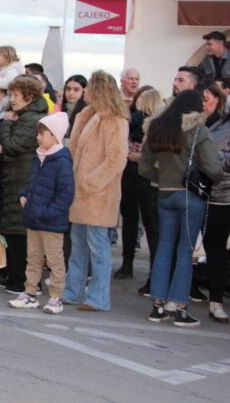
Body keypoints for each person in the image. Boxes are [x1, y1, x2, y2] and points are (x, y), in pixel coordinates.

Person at [140, 90, 223, 327]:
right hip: (190, 196)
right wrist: (211, 179)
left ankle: (157, 306)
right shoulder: (198, 130)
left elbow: (144, 167)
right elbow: (213, 167)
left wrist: (162, 178)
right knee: (185, 252)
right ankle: (180, 308)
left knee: (164, 248)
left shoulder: (158, 127)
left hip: (164, 194)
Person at [62, 71, 129, 312]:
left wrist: (91, 181)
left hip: (99, 194)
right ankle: (73, 291)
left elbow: (116, 158)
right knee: (78, 246)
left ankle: (98, 297)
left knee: (98, 248)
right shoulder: (88, 115)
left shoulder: (115, 120)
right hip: (81, 193)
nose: (85, 91)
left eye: (89, 87)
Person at [9, 112, 74, 314]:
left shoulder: (61, 161)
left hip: (51, 221)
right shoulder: (40, 157)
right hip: (34, 219)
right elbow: (35, 183)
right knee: (33, 258)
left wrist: (46, 212)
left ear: (54, 136)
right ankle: (30, 292)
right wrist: (24, 194)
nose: (38, 137)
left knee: (55, 260)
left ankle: (56, 296)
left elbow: (66, 194)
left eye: (42, 134)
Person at [0, 75, 49, 294]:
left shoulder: (29, 120)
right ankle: (17, 277)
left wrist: (6, 125)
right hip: (18, 177)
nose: (12, 99)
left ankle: (21, 281)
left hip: (21, 179)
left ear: (28, 96)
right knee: (16, 232)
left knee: (19, 234)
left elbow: (12, 146)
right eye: (11, 94)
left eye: (16, 95)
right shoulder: (29, 116)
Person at [115, 87, 162, 288]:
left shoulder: (154, 124)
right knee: (143, 222)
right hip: (139, 175)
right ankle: (142, 268)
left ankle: (131, 265)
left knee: (139, 221)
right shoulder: (135, 121)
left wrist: (137, 156)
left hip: (142, 175)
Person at [206, 97, 230, 323]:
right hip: (219, 199)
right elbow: (211, 161)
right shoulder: (217, 126)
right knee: (216, 250)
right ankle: (215, 301)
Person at [55, 74, 87, 141]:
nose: (71, 93)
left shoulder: (87, 112)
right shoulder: (58, 109)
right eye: (68, 89)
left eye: (76, 90)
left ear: (84, 91)